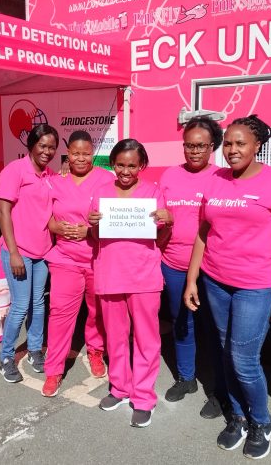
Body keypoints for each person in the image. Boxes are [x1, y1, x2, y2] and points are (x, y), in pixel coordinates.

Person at [184, 115, 271, 460]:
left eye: (240, 143)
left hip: (256, 286)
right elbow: (204, 232)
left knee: (243, 359)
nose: (232, 150)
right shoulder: (216, 180)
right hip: (215, 280)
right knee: (223, 351)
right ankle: (237, 416)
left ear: (257, 145)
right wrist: (192, 278)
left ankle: (261, 421)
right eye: (229, 144)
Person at [89, 139, 170, 428]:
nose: (125, 171)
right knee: (115, 337)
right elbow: (96, 237)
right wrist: (94, 224)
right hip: (110, 273)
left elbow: (161, 236)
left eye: (132, 165)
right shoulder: (101, 193)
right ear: (112, 163)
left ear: (141, 166)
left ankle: (144, 397)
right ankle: (120, 388)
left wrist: (169, 220)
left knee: (146, 339)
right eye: (120, 165)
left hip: (144, 275)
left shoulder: (153, 193)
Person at [159, 116, 228, 418]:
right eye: (189, 145)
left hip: (211, 269)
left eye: (200, 146)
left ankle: (220, 391)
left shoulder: (223, 178)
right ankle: (186, 378)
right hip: (173, 264)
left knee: (215, 330)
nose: (194, 151)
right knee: (181, 323)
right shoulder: (170, 175)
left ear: (212, 146)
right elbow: (159, 217)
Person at [41, 130, 113, 397]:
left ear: (93, 153)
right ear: (67, 154)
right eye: (75, 153)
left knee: (97, 312)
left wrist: (90, 231)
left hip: (97, 258)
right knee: (60, 314)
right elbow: (45, 216)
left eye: (86, 153)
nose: (81, 158)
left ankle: (96, 351)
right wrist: (56, 227)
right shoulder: (55, 182)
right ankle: (54, 370)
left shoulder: (107, 179)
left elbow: (114, 218)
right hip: (65, 258)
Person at [0, 124, 59, 383]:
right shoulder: (14, 170)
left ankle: (34, 350)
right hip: (19, 251)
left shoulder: (50, 175)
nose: (47, 151)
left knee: (38, 303)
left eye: (52, 147)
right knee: (21, 305)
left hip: (43, 252)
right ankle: (5, 357)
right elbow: (3, 212)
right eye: (42, 145)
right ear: (31, 145)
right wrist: (13, 252)